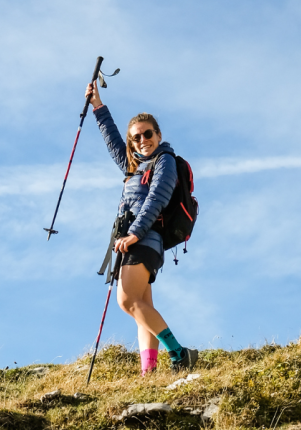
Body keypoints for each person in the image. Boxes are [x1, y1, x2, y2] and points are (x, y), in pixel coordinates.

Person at [86, 81, 198, 375]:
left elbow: (158, 197)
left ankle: (179, 353)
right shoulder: (133, 165)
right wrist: (98, 106)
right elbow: (112, 140)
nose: (142, 140)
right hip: (133, 238)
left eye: (148, 134)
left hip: (144, 237)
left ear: (158, 135)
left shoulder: (165, 161)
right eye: (136, 138)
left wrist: (135, 231)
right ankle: (148, 373)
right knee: (142, 306)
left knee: (127, 300)